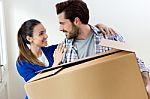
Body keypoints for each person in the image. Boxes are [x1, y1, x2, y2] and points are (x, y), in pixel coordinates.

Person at [55, 0, 150, 98]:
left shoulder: (108, 36)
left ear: (76, 21)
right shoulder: (64, 48)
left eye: (62, 23)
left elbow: (135, 61)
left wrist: (147, 83)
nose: (60, 28)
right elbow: (61, 84)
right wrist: (55, 64)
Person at [16, 19, 115, 99]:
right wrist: (55, 64)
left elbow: (75, 37)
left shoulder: (52, 51)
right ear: (30, 39)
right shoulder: (22, 64)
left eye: (45, 32)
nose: (46, 36)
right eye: (41, 33)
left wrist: (96, 27)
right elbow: (39, 87)